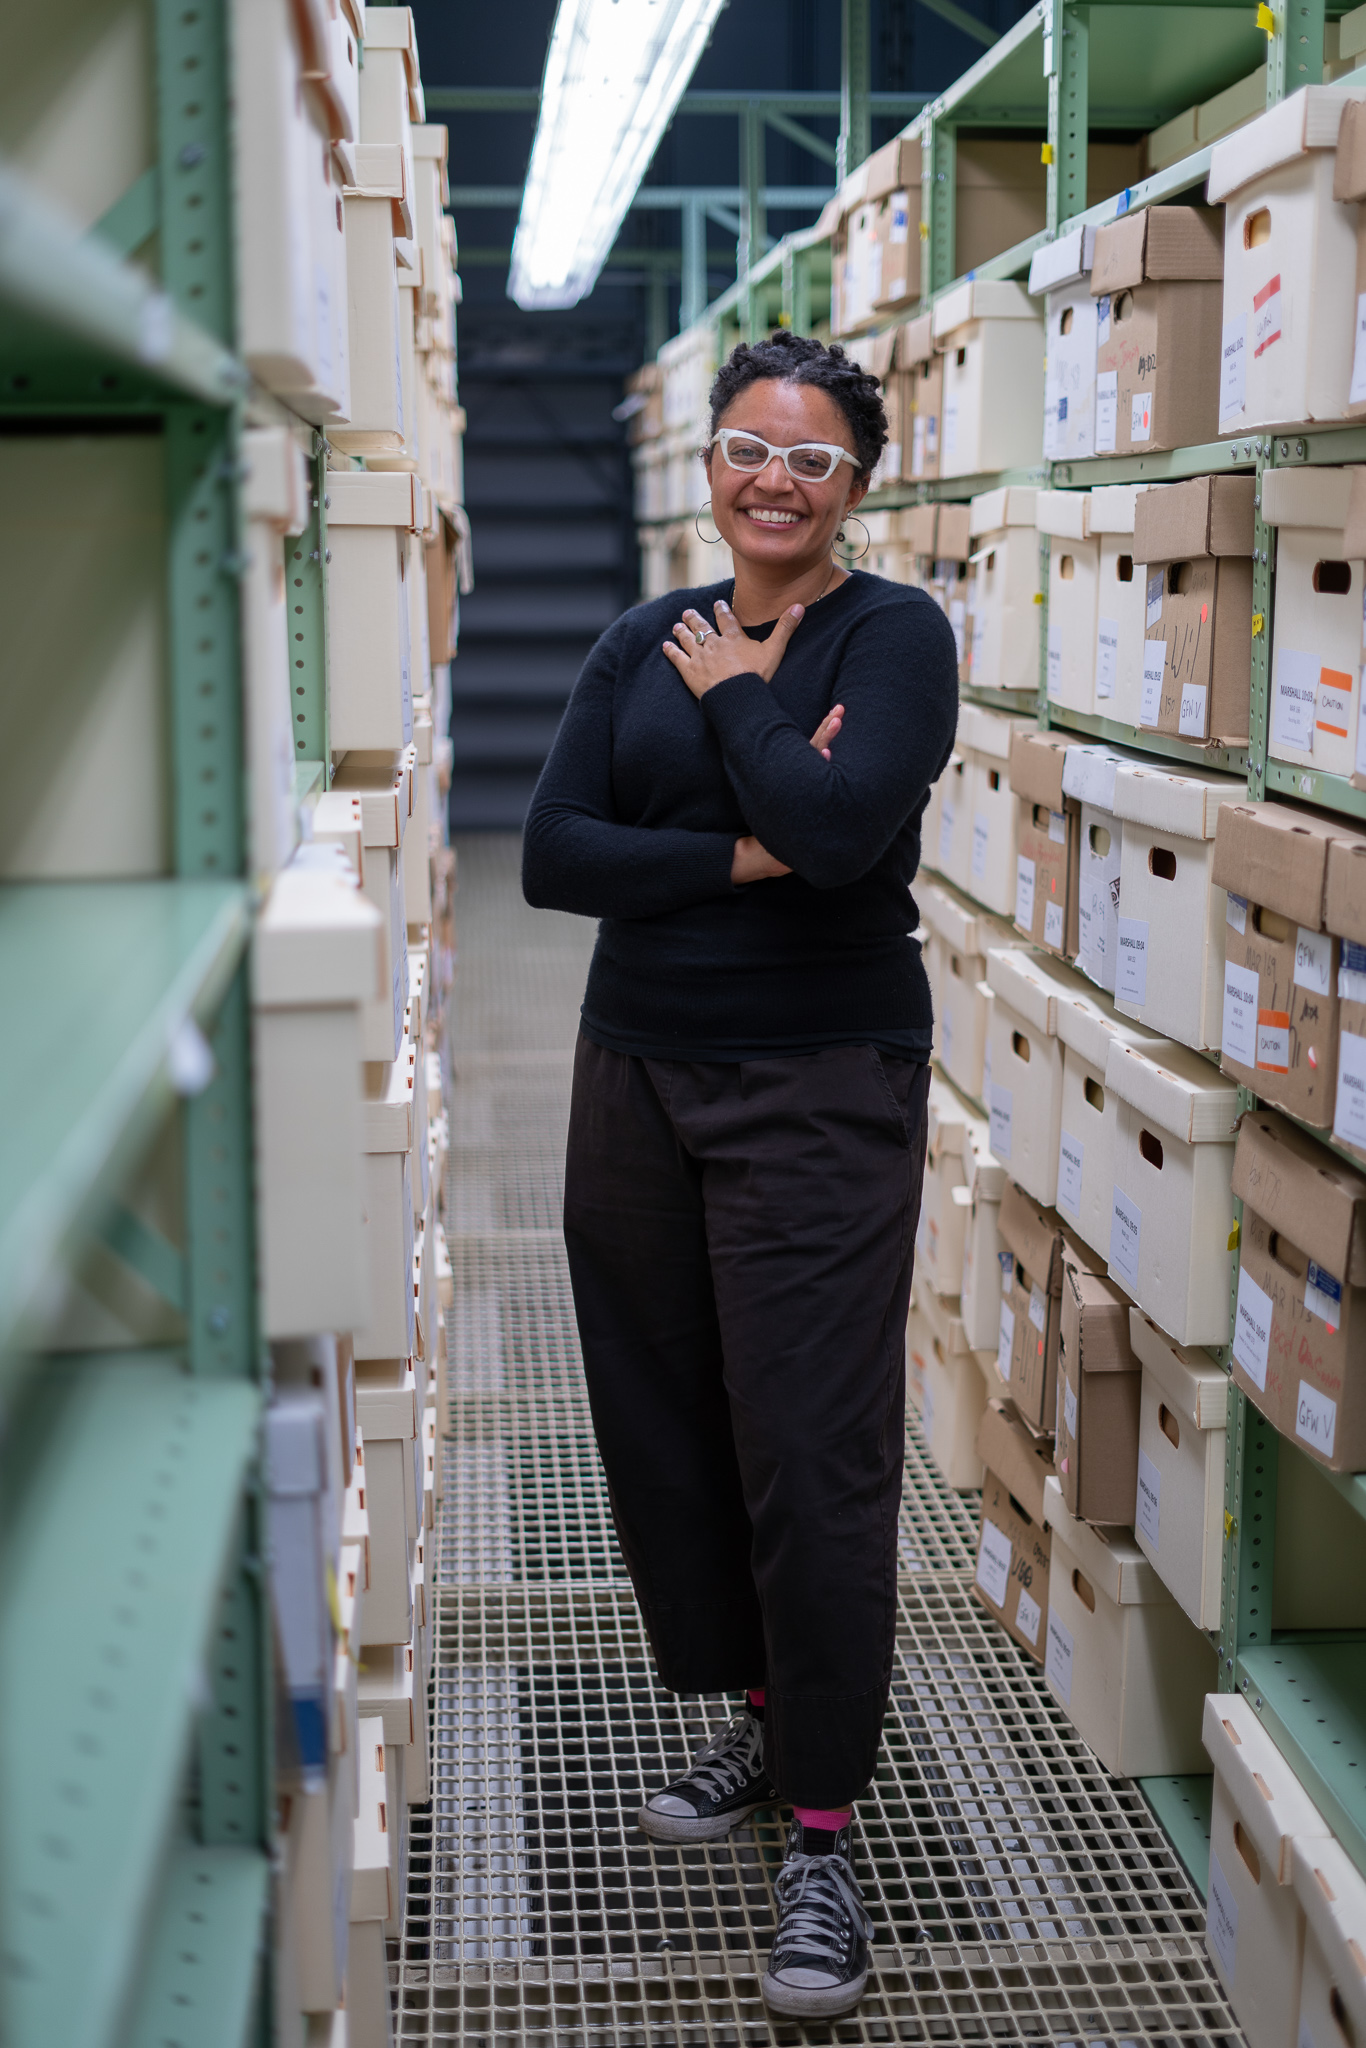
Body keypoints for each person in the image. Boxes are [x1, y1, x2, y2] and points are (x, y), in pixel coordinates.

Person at [522, 329, 958, 2020]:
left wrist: (739, 707)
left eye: (810, 459)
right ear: (709, 462)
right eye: (745, 449)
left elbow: (850, 832)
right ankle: (761, 1721)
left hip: (821, 1080)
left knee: (811, 1446)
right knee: (671, 1410)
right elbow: (557, 851)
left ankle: (828, 1835)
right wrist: (742, 843)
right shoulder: (640, 633)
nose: (771, 480)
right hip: (633, 1065)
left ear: (861, 481)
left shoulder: (891, 631)